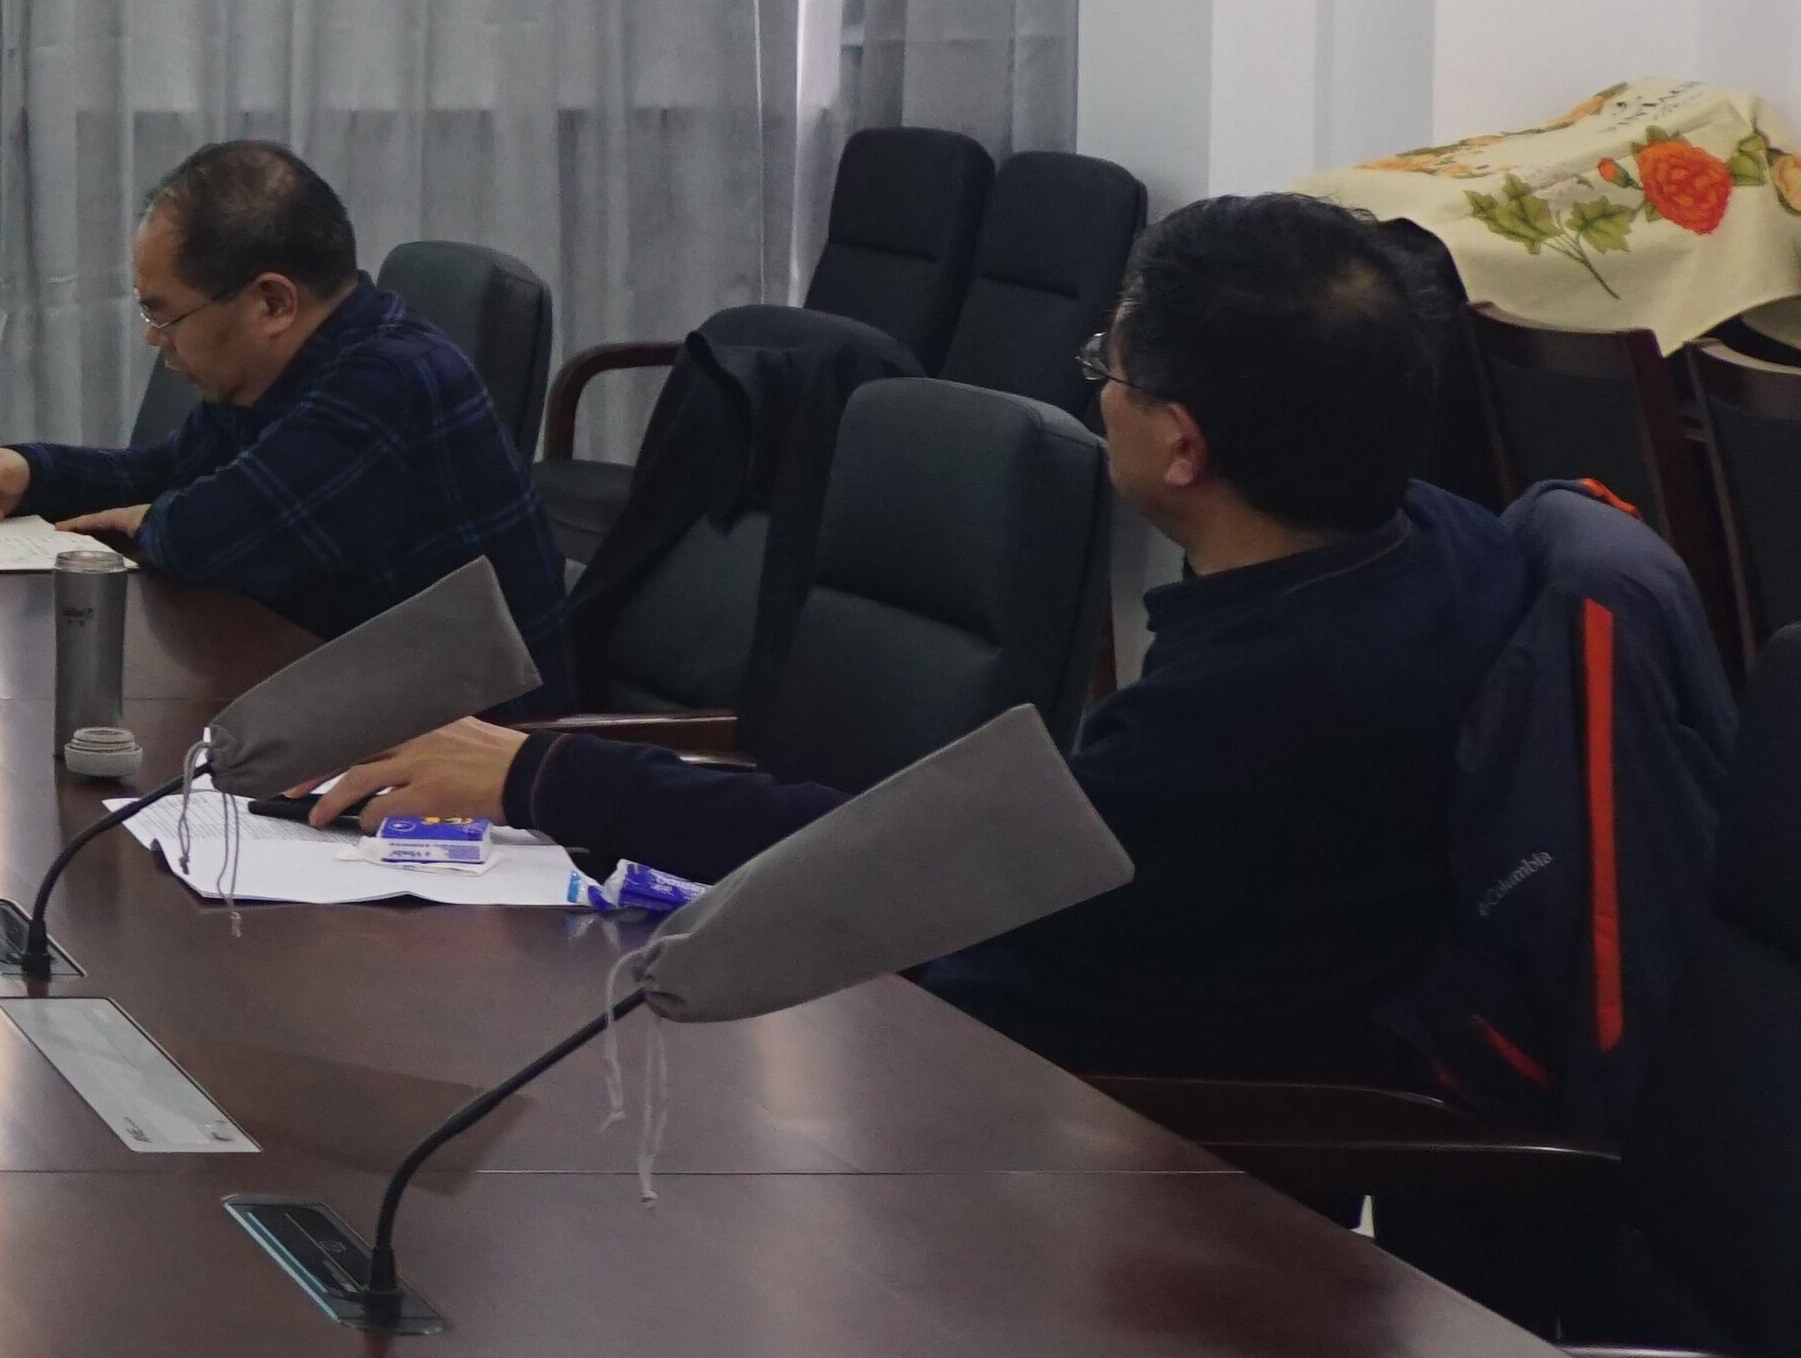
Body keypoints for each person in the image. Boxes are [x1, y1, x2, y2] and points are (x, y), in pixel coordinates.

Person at [312, 191, 1529, 1084]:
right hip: (992, 1042)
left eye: (1109, 365)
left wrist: (541, 773)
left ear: (1182, 445)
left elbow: (897, 874)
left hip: (1047, 1129)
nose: (1097, 387)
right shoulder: (1438, 542)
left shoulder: (1248, 713)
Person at [0, 138, 577, 711]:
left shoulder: (386, 382)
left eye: (164, 314)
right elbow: (168, 470)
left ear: (271, 302)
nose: (154, 337)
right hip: (343, 693)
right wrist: (32, 472)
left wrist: (154, 518)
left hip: (473, 751)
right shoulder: (291, 365)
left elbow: (210, 539)